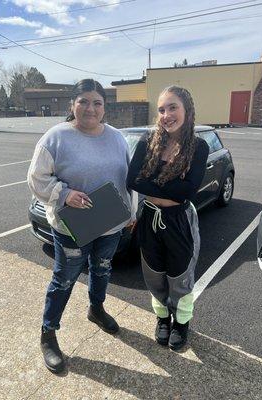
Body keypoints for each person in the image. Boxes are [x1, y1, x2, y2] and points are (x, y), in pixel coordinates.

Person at [27, 78, 136, 373]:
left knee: (102, 269)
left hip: (109, 223)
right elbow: (36, 179)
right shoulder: (55, 137)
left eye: (97, 102)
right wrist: (64, 194)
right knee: (64, 278)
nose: (90, 108)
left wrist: (132, 211)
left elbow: (128, 177)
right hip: (71, 226)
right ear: (72, 105)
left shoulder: (116, 137)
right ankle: (48, 334)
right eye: (84, 101)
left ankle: (96, 309)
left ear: (104, 108)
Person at [127, 86, 209, 351]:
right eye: (161, 109)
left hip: (178, 221)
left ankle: (182, 323)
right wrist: (166, 188)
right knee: (154, 274)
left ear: (187, 109)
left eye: (173, 107)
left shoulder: (198, 146)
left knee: (180, 275)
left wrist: (150, 182)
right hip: (149, 218)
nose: (166, 114)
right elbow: (132, 180)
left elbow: (187, 191)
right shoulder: (147, 141)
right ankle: (163, 319)